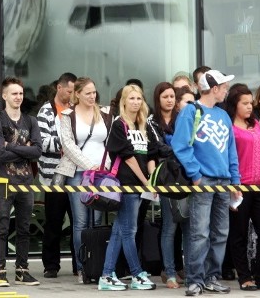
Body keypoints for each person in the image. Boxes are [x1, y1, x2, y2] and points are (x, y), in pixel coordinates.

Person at [171, 69, 241, 297]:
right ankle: (195, 280)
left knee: (220, 232)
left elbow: (231, 150)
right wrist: (196, 175)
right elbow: (180, 145)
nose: (226, 91)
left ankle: (211, 278)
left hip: (222, 181)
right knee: (199, 232)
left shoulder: (223, 115)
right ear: (214, 88)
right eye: (224, 87)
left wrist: (235, 179)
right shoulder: (191, 111)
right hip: (204, 180)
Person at [98, 84, 157, 291]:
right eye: (131, 98)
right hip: (126, 184)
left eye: (139, 98)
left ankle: (106, 274)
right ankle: (136, 273)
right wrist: (145, 181)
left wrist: (152, 179)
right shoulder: (119, 124)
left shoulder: (144, 125)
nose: (135, 102)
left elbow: (150, 153)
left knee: (119, 231)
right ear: (124, 101)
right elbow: (128, 158)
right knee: (129, 230)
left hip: (140, 185)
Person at [56, 77, 112, 282]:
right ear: (77, 94)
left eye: (94, 92)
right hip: (79, 173)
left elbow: (110, 142)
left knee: (96, 220)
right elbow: (68, 146)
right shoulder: (67, 115)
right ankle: (82, 267)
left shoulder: (105, 113)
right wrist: (89, 165)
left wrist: (105, 166)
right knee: (80, 221)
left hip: (101, 174)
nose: (92, 96)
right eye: (87, 93)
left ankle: (96, 265)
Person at [0, 77, 43, 287]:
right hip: (3, 182)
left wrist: (11, 147)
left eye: (20, 93)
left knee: (24, 227)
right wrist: (24, 150)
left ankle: (22, 270)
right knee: (1, 226)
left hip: (26, 182)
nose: (18, 97)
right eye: (14, 93)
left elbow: (37, 151)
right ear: (4, 96)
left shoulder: (31, 121)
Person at [225, 84, 260, 291]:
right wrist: (231, 186)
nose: (249, 107)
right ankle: (244, 276)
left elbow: (257, 146)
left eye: (250, 103)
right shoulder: (229, 127)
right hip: (240, 186)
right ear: (234, 105)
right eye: (244, 103)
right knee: (239, 234)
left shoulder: (255, 123)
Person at [36, 72, 78, 278]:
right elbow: (42, 142)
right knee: (54, 220)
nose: (71, 95)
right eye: (69, 91)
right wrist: (68, 146)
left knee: (78, 221)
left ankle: (80, 263)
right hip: (54, 174)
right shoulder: (46, 111)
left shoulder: (78, 111)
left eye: (74, 92)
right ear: (59, 88)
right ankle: (51, 265)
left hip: (77, 173)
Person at [147, 82, 187, 289]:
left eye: (172, 96)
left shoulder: (183, 119)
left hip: (187, 176)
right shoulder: (152, 122)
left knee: (188, 227)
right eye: (165, 97)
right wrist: (181, 151)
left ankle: (188, 270)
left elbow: (191, 143)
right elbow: (157, 148)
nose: (170, 100)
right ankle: (169, 272)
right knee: (169, 227)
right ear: (158, 99)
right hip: (166, 178)